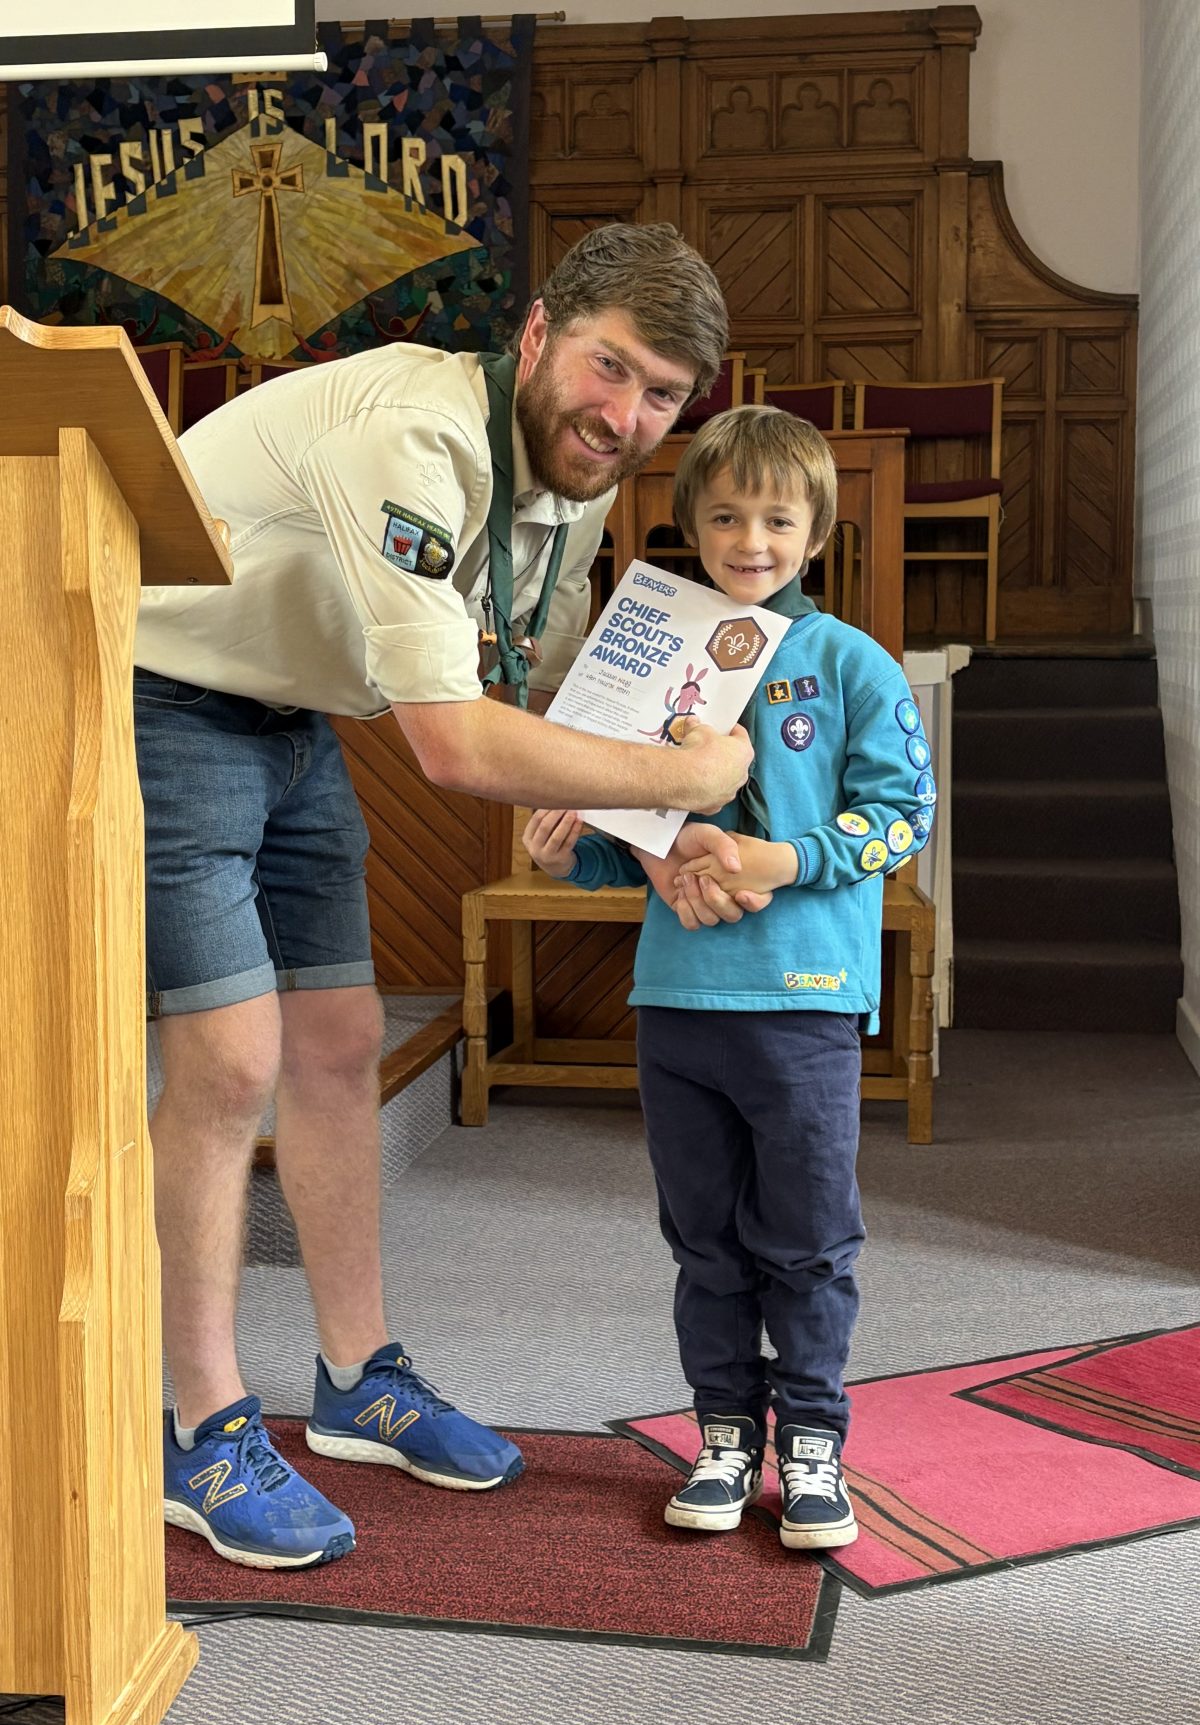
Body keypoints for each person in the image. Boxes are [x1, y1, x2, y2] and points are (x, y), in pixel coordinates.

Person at [136, 222, 755, 1570]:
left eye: (662, 395)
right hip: (161, 695)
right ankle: (200, 1427)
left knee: (342, 1040)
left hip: (295, 716)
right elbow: (458, 747)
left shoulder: (576, 479)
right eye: (609, 367)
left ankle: (358, 1379)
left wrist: (656, 835)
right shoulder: (416, 436)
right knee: (229, 1062)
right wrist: (688, 776)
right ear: (536, 336)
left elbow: (552, 698)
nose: (625, 415)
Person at [523, 404, 936, 1549]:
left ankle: (812, 1440)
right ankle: (722, 1430)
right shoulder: (659, 660)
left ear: (817, 533)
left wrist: (780, 859)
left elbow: (904, 816)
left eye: (777, 519)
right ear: (690, 526)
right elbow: (628, 840)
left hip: (803, 1002)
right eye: (725, 517)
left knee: (806, 1237)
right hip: (677, 1003)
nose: (750, 540)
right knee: (704, 1240)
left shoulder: (849, 663)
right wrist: (570, 853)